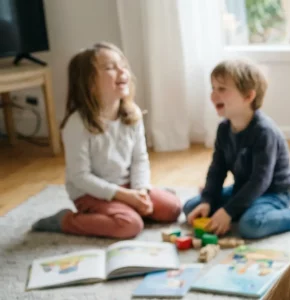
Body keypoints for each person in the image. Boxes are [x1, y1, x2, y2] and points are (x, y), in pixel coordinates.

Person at [31, 42, 182, 239]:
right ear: (89, 83)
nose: (122, 71)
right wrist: (126, 197)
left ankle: (129, 206)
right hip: (90, 193)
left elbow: (140, 159)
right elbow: (80, 177)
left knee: (173, 209)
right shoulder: (77, 124)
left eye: (123, 65)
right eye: (110, 67)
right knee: (129, 226)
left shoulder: (132, 113)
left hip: (127, 186)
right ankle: (66, 221)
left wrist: (141, 190)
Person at [182, 59, 290, 239]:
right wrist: (208, 199)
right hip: (243, 189)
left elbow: (260, 181)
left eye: (222, 89)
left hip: (274, 193)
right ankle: (235, 209)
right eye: (212, 88)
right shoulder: (224, 129)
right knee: (192, 206)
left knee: (251, 226)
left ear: (248, 97)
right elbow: (217, 170)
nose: (213, 95)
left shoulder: (264, 132)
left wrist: (228, 211)